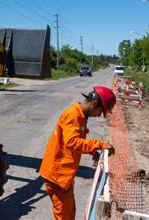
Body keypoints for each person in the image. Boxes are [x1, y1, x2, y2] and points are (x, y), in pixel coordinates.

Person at [39, 86, 116, 220]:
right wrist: (99, 144)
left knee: (69, 214)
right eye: (100, 112)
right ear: (94, 104)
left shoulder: (80, 115)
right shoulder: (74, 115)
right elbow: (72, 142)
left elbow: (76, 142)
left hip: (64, 177)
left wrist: (93, 152)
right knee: (64, 216)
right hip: (58, 177)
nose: (98, 115)